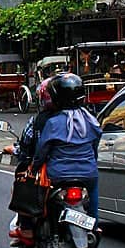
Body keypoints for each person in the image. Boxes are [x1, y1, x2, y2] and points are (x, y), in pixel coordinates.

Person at [30, 73, 103, 224]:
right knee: (93, 190)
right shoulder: (91, 120)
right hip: (88, 173)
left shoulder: (53, 123)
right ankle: (94, 224)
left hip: (58, 175)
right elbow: (95, 148)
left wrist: (34, 168)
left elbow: (42, 151)